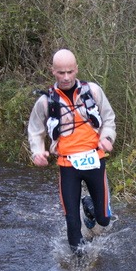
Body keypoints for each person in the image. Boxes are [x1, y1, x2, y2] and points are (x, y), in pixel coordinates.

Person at [28, 49, 116, 256]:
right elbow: (35, 131)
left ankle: (90, 208)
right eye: (60, 73)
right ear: (53, 71)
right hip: (67, 166)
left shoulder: (93, 91)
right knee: (72, 223)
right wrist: (37, 152)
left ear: (76, 69)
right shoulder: (45, 101)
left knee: (104, 220)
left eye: (69, 72)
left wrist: (107, 137)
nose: (66, 77)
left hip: (95, 161)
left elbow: (109, 118)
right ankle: (78, 268)